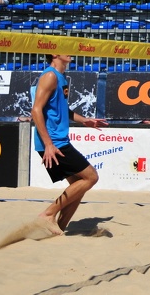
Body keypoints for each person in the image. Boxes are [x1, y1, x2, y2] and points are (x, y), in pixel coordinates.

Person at [30, 53, 108, 234]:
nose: (72, 51)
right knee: (91, 177)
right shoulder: (49, 76)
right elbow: (36, 110)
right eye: (67, 47)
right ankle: (48, 214)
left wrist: (84, 120)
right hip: (53, 142)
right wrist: (49, 144)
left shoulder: (60, 77)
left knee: (78, 187)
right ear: (55, 53)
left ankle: (57, 228)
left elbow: (62, 108)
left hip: (58, 140)